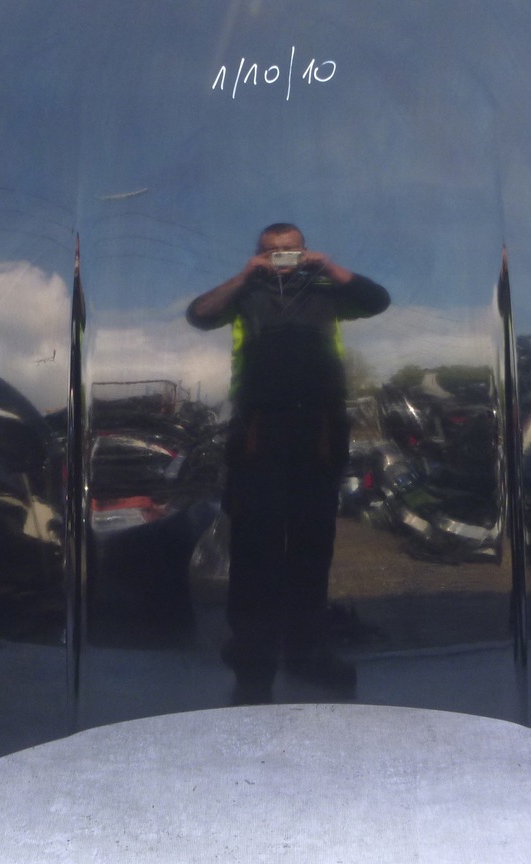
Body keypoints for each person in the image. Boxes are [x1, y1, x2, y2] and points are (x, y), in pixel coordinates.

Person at [187, 223, 390, 703]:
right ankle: (252, 666)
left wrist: (329, 267)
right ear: (258, 255)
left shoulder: (327, 289)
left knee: (312, 544)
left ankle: (306, 653)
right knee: (254, 545)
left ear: (305, 251)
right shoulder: (244, 292)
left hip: (320, 428)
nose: (281, 258)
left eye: (290, 250)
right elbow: (199, 314)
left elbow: (377, 301)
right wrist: (244, 275)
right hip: (258, 429)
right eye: (271, 252)